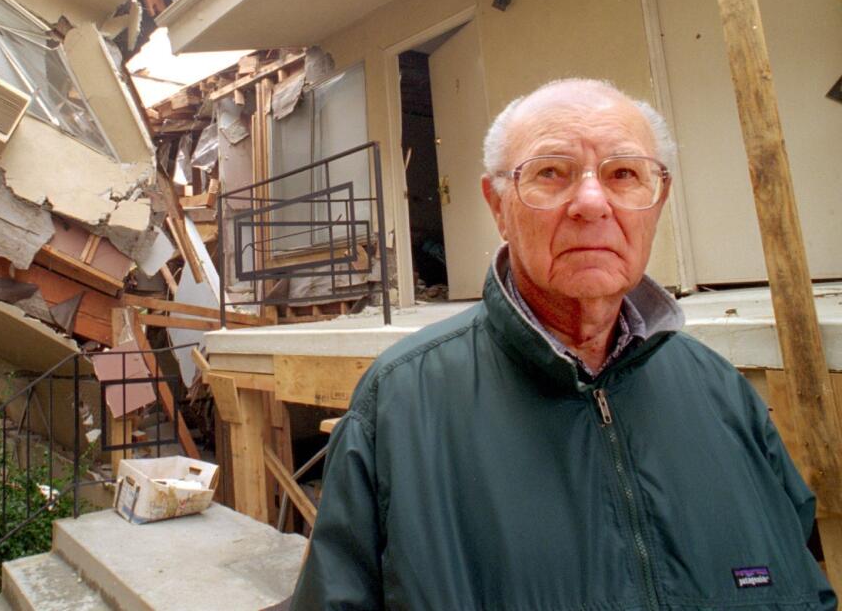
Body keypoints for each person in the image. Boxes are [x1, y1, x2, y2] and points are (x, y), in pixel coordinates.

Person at [290, 78, 835, 610]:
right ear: (498, 206)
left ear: (658, 199)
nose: (592, 202)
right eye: (552, 173)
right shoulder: (398, 407)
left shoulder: (724, 396)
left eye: (623, 173)